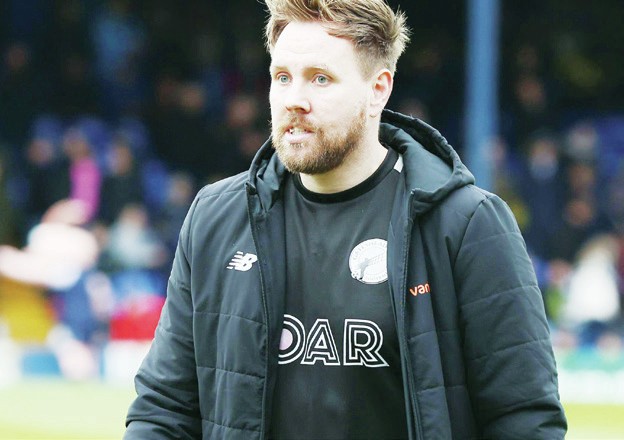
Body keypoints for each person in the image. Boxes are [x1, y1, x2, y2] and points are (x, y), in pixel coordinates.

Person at [124, 0, 567, 438]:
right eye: (282, 77)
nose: (294, 100)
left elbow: (525, 422)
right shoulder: (216, 217)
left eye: (320, 78)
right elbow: (164, 410)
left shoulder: (467, 224)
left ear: (378, 90)